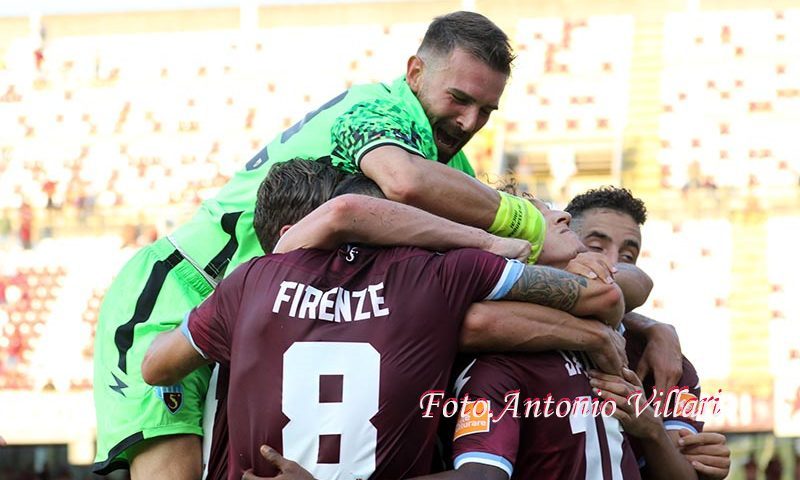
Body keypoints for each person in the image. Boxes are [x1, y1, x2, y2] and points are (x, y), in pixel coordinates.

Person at [92, 12, 549, 478]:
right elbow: (403, 181)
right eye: (459, 99)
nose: (470, 121)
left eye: (486, 110)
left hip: (259, 318)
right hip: (181, 293)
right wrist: (529, 224)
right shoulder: (376, 108)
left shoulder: (448, 167)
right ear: (415, 73)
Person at [142, 170, 628, 479]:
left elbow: (154, 366)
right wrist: (594, 331)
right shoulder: (437, 275)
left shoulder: (248, 283)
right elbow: (605, 295)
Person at [565, 186, 731, 480]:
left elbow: (686, 473)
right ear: (563, 239)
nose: (613, 262)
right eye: (595, 247)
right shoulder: (524, 332)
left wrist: (650, 427)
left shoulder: (670, 365)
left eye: (628, 255)